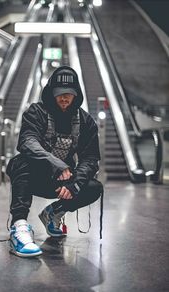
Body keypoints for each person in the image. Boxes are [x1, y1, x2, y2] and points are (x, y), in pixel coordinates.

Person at [6, 65, 103, 257]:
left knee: (93, 187)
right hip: (35, 176)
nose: (64, 98)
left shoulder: (85, 121)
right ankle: (19, 226)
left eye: (69, 93)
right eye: (59, 94)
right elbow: (27, 142)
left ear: (76, 94)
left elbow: (90, 158)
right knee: (20, 162)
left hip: (62, 182)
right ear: (51, 93)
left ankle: (53, 213)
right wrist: (55, 164)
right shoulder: (37, 112)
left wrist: (76, 184)